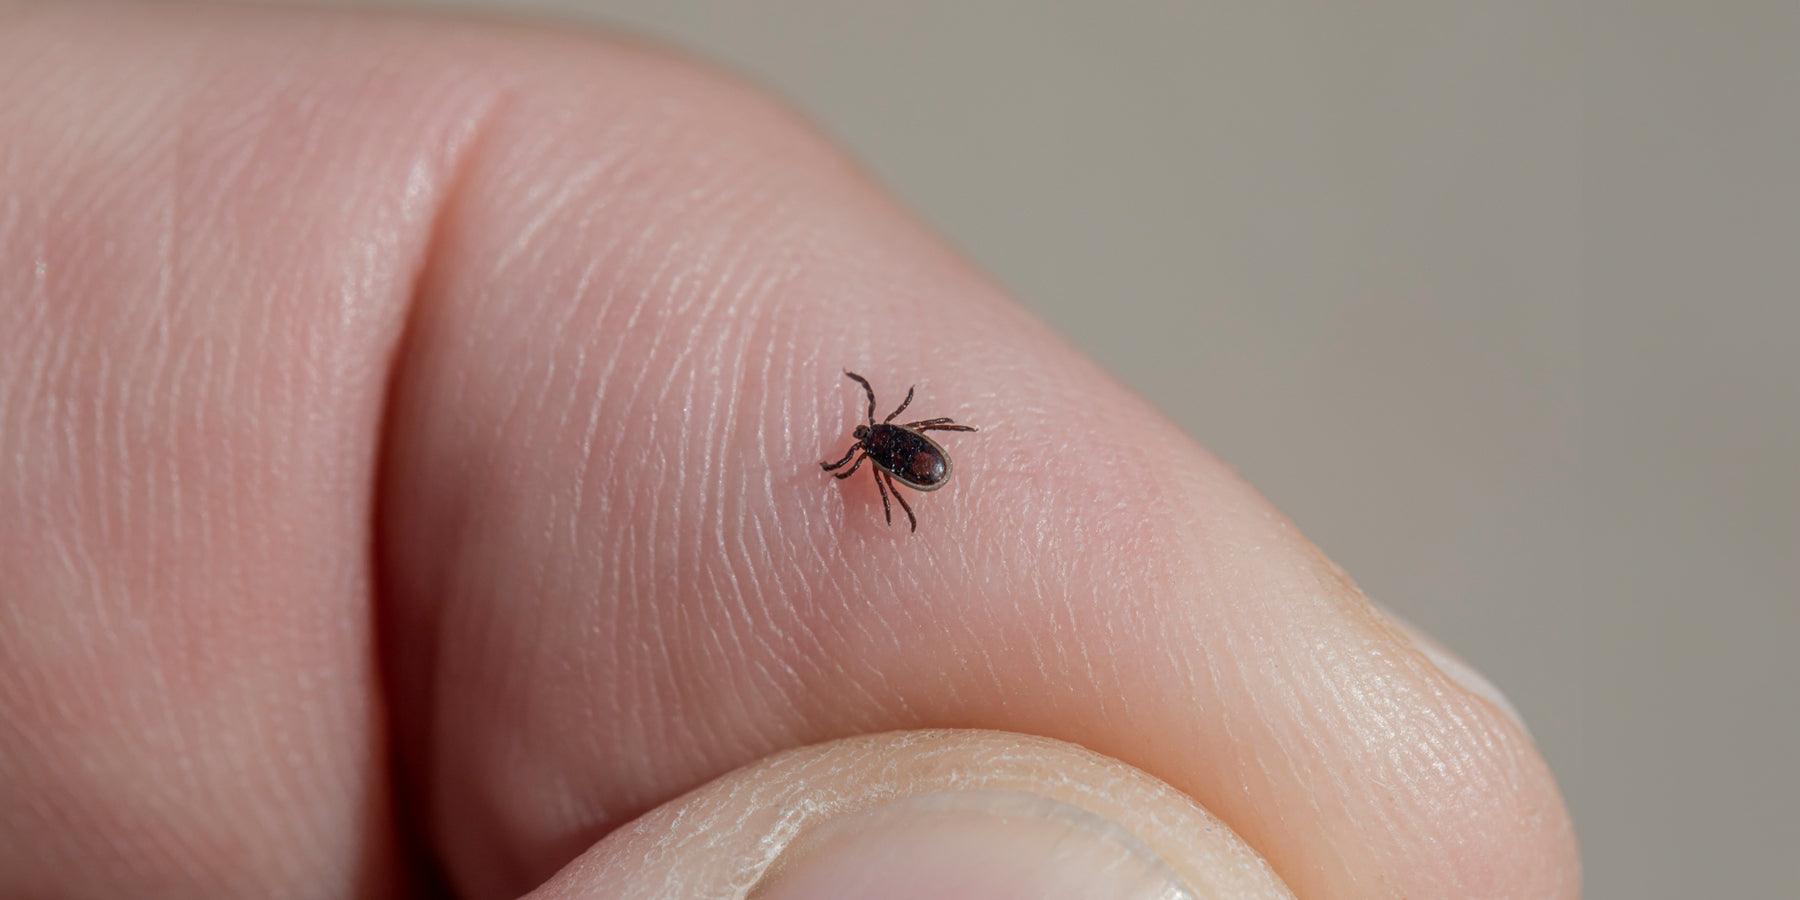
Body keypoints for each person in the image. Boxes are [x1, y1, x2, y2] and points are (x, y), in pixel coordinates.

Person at [0, 4, 1577, 897]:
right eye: (880, 445)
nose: (879, 446)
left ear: (884, 440)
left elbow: (908, 454)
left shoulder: (888, 452)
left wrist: (886, 480)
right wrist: (887, 481)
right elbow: (911, 454)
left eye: (876, 439)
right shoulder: (892, 451)